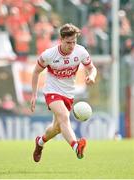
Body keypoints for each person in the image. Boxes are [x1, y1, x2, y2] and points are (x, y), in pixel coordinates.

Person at [30, 23, 97, 162]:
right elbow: (36, 71)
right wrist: (34, 94)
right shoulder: (49, 54)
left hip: (68, 93)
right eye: (68, 42)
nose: (71, 46)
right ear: (61, 39)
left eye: (74, 42)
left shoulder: (81, 52)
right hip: (52, 91)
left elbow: (92, 68)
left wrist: (92, 76)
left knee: (57, 128)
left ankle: (40, 143)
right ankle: (76, 146)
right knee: (64, 116)